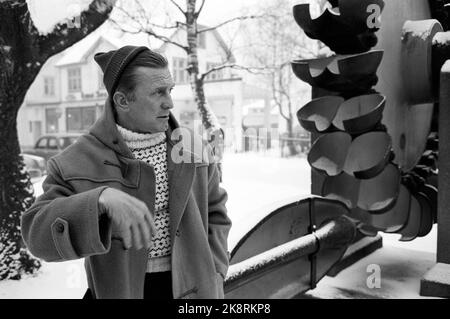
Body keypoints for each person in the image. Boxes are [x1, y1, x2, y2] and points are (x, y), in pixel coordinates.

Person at [21, 46, 231, 299]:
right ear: (122, 100)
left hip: (195, 292)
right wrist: (99, 200)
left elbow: (216, 211)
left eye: (170, 90)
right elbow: (36, 235)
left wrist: (217, 270)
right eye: (158, 92)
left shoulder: (192, 146)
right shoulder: (77, 160)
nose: (170, 102)